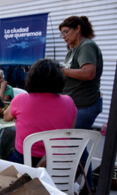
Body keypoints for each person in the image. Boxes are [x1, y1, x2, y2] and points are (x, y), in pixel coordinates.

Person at [4, 59, 77, 167]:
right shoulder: (69, 101)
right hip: (58, 164)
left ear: (31, 78)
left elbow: (6, 116)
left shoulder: (20, 99)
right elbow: (70, 129)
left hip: (25, 162)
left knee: (1, 153)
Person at [59, 16, 103, 193]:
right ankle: (87, 184)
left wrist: (61, 70)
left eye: (66, 32)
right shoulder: (72, 50)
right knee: (78, 146)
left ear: (78, 28)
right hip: (75, 104)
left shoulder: (87, 46)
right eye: (62, 34)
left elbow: (88, 73)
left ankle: (87, 186)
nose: (64, 37)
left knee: (75, 147)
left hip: (84, 105)